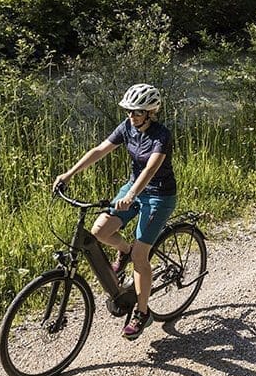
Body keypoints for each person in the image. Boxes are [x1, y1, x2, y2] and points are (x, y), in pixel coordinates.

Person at [53, 83, 177, 339]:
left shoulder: (161, 136)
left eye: (137, 112)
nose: (132, 116)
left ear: (150, 113)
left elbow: (150, 170)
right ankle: (125, 251)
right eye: (129, 111)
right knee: (100, 230)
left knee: (141, 258)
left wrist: (131, 196)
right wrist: (69, 174)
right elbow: (99, 150)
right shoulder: (127, 128)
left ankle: (142, 312)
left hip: (158, 195)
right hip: (133, 188)